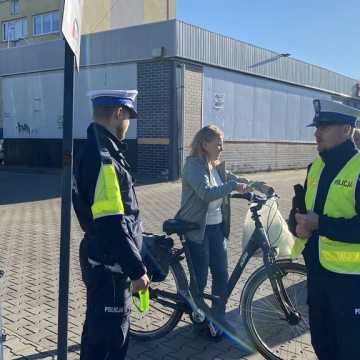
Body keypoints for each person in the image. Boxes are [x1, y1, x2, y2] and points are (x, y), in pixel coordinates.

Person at [72, 90, 150, 360]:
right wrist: (136, 269)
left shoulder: (96, 148)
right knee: (109, 345)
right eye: (127, 116)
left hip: (105, 261)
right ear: (118, 113)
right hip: (110, 267)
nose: (128, 123)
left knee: (97, 336)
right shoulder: (104, 156)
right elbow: (110, 222)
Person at [175, 124, 272, 338]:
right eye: (218, 143)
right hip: (196, 229)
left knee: (221, 273)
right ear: (204, 144)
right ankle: (199, 319)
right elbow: (206, 193)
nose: (222, 148)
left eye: (222, 143)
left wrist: (258, 185)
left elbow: (235, 179)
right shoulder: (193, 166)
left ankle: (218, 317)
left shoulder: (215, 166)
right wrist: (233, 188)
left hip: (216, 228)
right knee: (200, 278)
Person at [293, 99, 360, 360]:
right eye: (316, 126)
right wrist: (296, 222)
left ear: (347, 129)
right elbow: (306, 211)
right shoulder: (316, 166)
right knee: (323, 345)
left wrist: (320, 224)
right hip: (318, 278)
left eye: (325, 126)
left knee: (351, 350)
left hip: (351, 284)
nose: (316, 133)